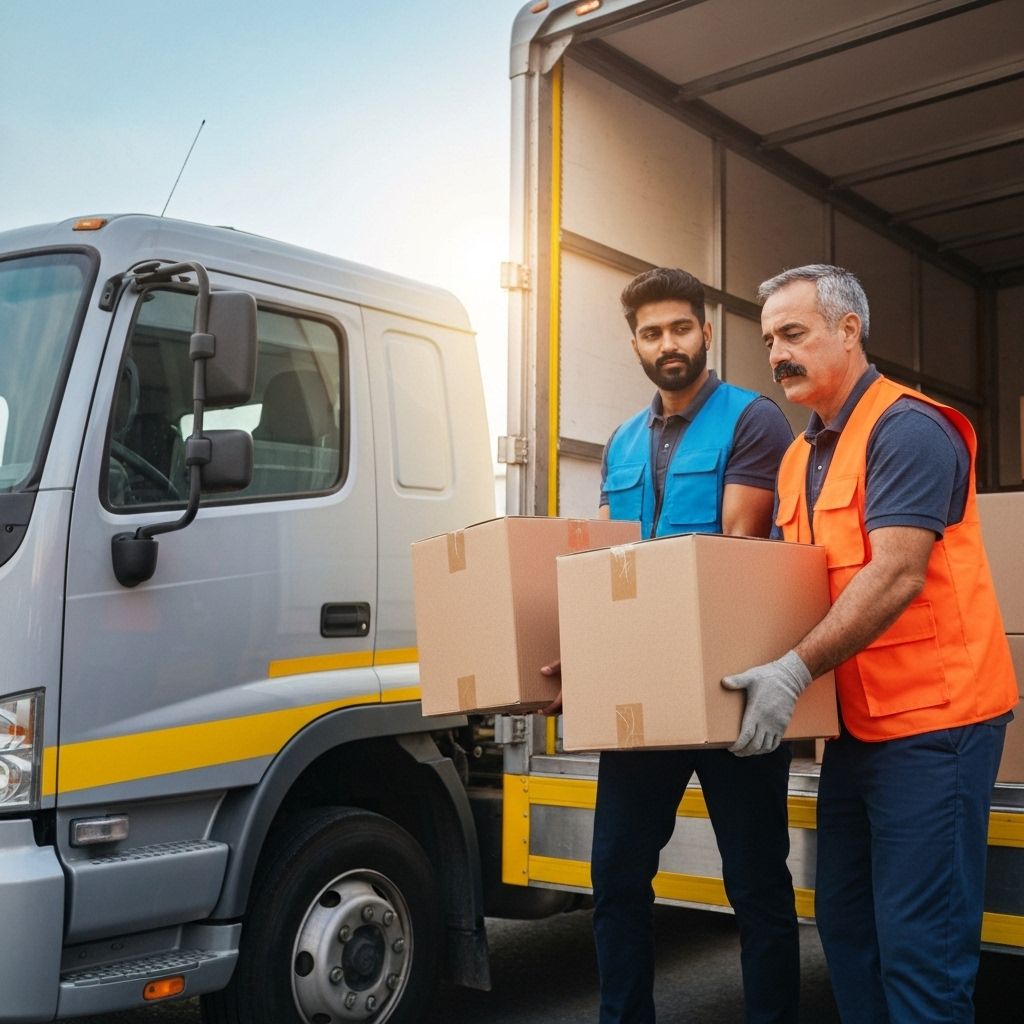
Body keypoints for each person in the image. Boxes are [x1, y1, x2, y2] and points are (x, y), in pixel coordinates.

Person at [722, 264, 1017, 1024]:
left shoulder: (909, 427)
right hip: (855, 729)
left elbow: (896, 574)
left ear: (848, 331)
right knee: (850, 931)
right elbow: (788, 586)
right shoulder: (799, 456)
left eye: (794, 333)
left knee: (921, 954)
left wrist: (793, 670)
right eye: (769, 341)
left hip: (936, 726)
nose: (777, 354)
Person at [544, 267, 799, 1024]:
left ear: (706, 332)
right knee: (616, 878)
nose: (668, 345)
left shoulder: (753, 421)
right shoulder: (621, 441)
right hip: (644, 695)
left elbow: (739, 545)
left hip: (730, 688)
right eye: (651, 334)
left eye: (680, 328)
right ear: (634, 344)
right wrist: (585, 653)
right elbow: (604, 563)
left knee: (755, 884)